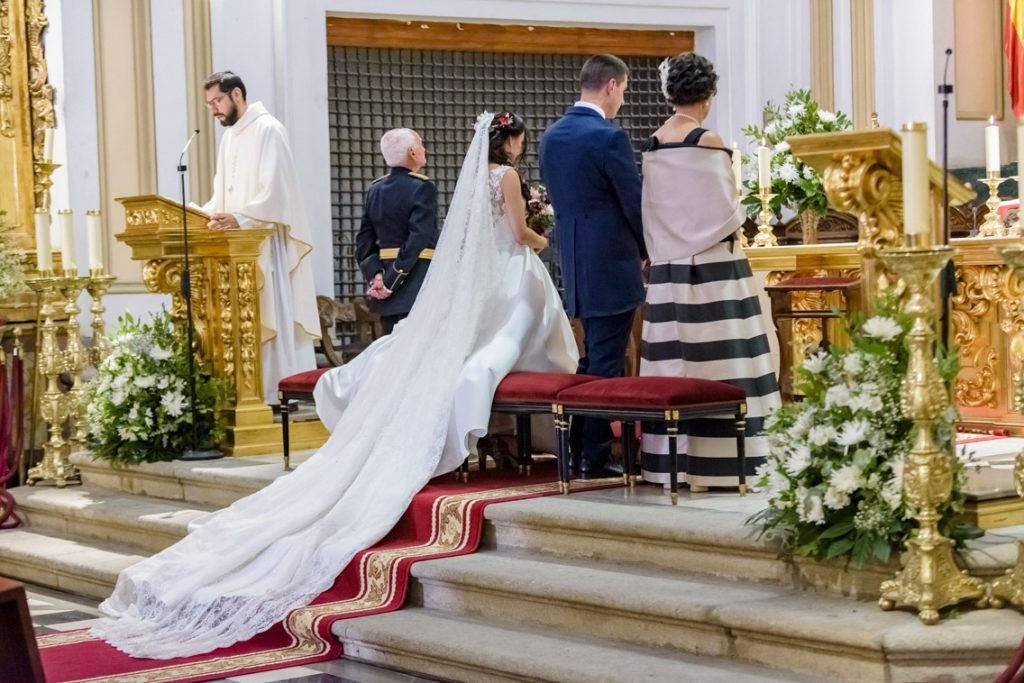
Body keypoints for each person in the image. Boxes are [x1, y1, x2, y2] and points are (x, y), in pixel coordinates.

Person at [91, 111, 578, 659]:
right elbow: (467, 234)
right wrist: (542, 232)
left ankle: (507, 434)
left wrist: (376, 274)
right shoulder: (490, 180)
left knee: (418, 347)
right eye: (517, 139)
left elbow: (369, 239)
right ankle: (527, 438)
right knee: (501, 342)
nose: (519, 146)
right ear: (508, 142)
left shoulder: (389, 188)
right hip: (472, 274)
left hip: (416, 283)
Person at [638, 53, 781, 490]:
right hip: (716, 270)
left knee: (677, 366)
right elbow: (725, 209)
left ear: (669, 95)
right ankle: (732, 464)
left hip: (668, 272)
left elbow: (654, 210)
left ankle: (671, 466)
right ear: (708, 95)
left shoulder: (654, 143)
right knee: (727, 364)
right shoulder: (708, 140)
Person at [539, 54, 646, 478]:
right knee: (604, 362)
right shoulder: (608, 137)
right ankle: (591, 456)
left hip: (576, 264)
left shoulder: (552, 135)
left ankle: (575, 449)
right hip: (612, 262)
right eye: (623, 91)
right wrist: (648, 248)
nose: (621, 100)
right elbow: (632, 202)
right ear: (612, 86)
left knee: (590, 361)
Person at [200, 71, 319, 405]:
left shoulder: (269, 129)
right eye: (209, 104)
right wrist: (201, 213)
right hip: (237, 249)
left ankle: (279, 392)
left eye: (217, 101)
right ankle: (251, 394)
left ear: (236, 94)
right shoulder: (229, 138)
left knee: (272, 314)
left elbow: (276, 192)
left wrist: (240, 217)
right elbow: (222, 194)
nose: (214, 110)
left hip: (266, 244)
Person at [356, 128, 439, 334]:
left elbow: (364, 241)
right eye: (420, 144)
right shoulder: (422, 187)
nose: (424, 148)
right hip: (417, 281)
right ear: (412, 152)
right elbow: (418, 238)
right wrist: (391, 280)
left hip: (387, 291)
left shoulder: (375, 189)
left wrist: (377, 277)